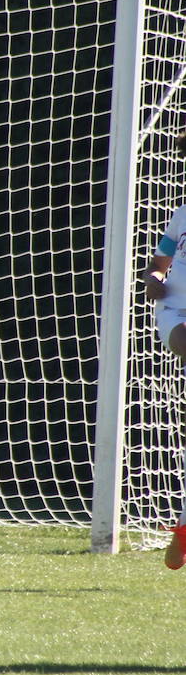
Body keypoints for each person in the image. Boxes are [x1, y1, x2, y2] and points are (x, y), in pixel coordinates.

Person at [140, 189, 186, 569]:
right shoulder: (182, 213)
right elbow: (159, 263)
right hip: (175, 312)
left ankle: (184, 529)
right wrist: (154, 277)